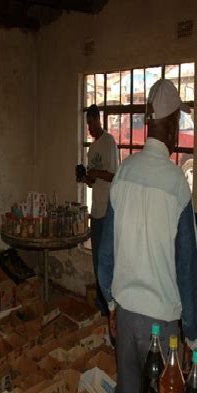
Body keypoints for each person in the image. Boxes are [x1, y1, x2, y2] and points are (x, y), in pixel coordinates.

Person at [97, 79, 197, 393]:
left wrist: (112, 307)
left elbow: (106, 255)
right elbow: (188, 269)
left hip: (127, 319)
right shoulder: (176, 185)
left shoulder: (124, 174)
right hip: (162, 326)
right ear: (171, 127)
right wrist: (193, 336)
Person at [80, 104, 119, 319]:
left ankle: (110, 307)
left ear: (98, 120)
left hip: (108, 210)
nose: (89, 128)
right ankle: (101, 305)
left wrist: (94, 172)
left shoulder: (109, 142)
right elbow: (92, 182)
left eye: (91, 123)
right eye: (87, 124)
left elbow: (114, 175)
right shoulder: (92, 149)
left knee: (107, 260)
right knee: (97, 261)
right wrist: (83, 177)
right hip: (95, 211)